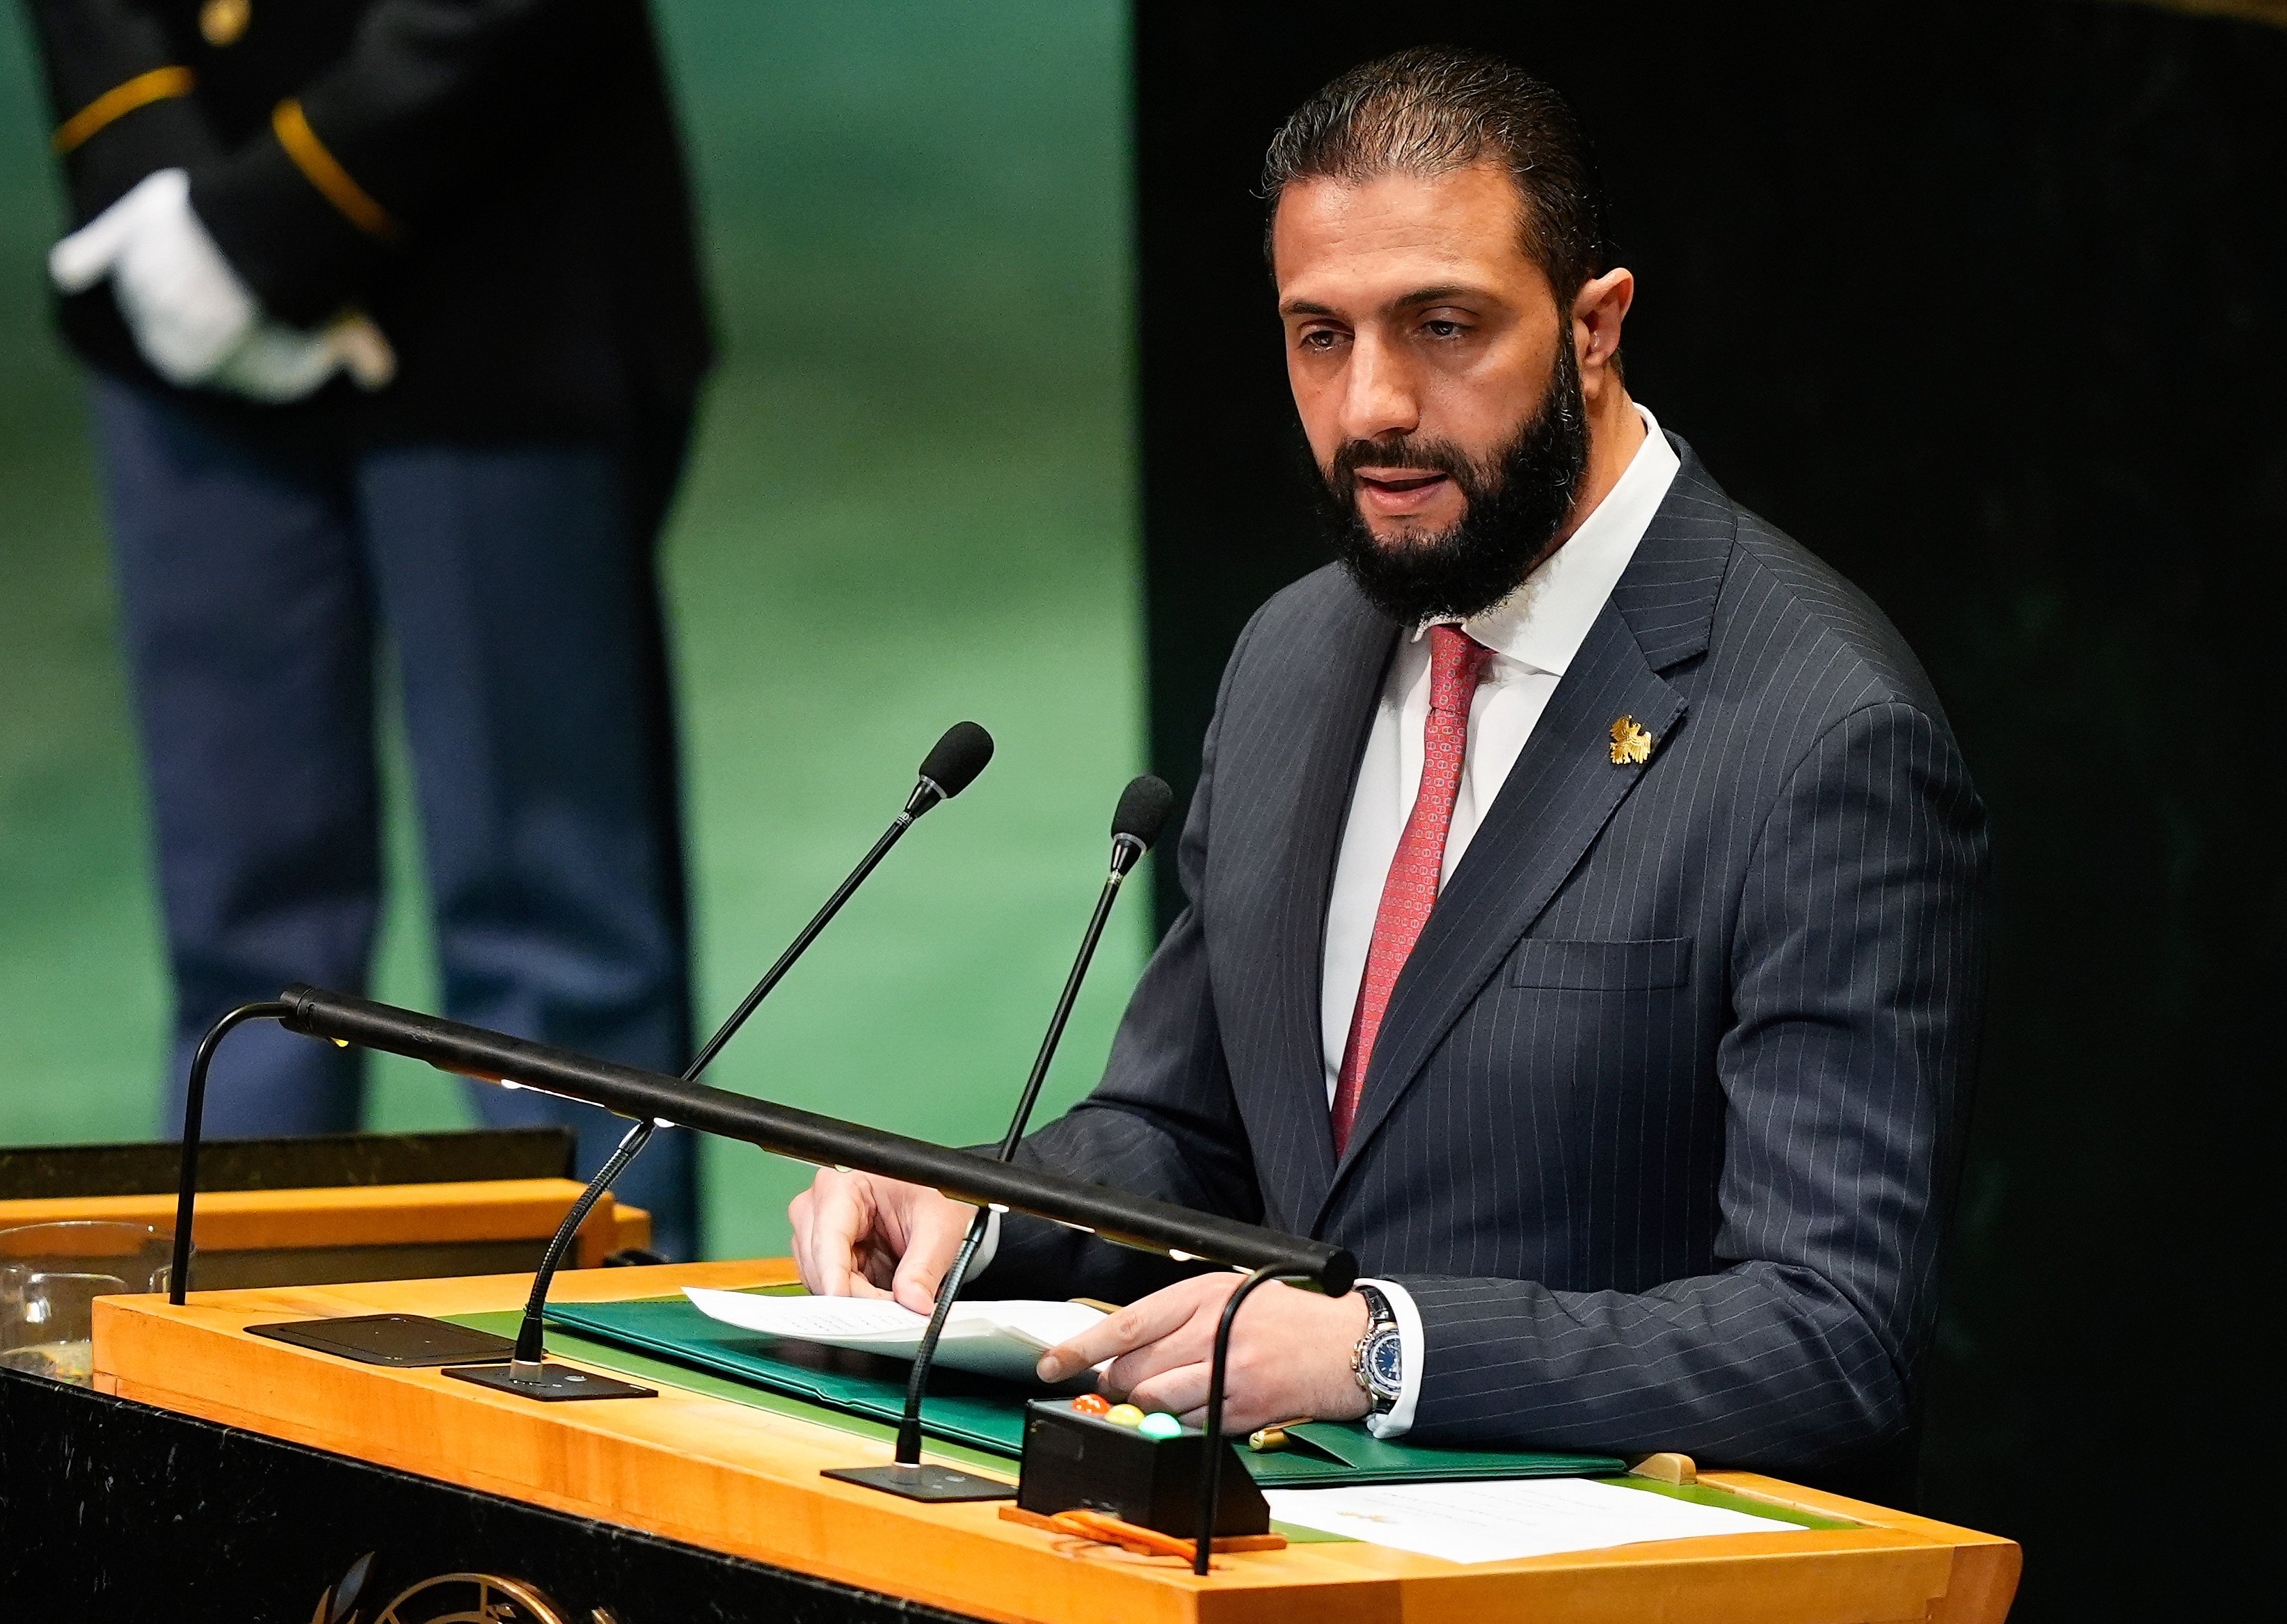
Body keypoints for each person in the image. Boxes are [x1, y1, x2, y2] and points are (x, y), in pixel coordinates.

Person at [790, 46, 1989, 1481]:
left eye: (1443, 326)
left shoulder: (1820, 732)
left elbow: (1829, 1334)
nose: (1371, 407)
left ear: (1596, 327)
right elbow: (1192, 1128)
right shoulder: (1297, 654)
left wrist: (1382, 1350)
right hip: (1252, 1565)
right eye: (1320, 336)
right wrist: (977, 1212)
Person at [25, 0, 711, 1253]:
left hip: (499, 262)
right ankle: (225, 1393)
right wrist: (154, 185)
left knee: (550, 951)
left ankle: (591, 1388)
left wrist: (261, 226)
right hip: (176, 287)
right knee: (243, 953)